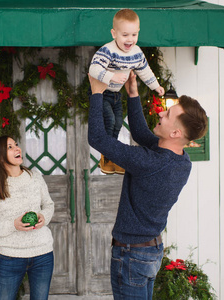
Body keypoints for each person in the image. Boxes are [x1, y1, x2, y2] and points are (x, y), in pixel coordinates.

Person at [87, 72, 208, 300]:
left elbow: (97, 138)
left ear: (175, 132)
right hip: (150, 252)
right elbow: (143, 135)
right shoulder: (181, 161)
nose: (161, 112)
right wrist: (133, 94)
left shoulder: (149, 161)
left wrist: (96, 92)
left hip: (132, 254)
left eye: (168, 114)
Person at [89, 8, 165, 175]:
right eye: (125, 35)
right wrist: (111, 76)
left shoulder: (136, 53)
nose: (130, 39)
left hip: (117, 94)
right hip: (102, 92)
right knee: (108, 120)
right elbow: (93, 69)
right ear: (114, 33)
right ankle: (106, 156)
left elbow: (144, 70)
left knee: (117, 122)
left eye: (134, 35)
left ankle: (111, 158)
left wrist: (155, 86)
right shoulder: (107, 50)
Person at [0, 135, 55, 300]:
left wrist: (43, 217)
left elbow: (49, 205)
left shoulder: (35, 177)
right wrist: (13, 225)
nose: (17, 148)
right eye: (10, 147)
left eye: (16, 144)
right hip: (10, 258)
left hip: (43, 253)